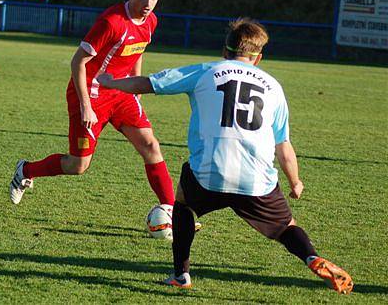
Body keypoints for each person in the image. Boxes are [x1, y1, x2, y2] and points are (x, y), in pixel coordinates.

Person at [96, 18, 353, 294]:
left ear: (225, 51)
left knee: (183, 203)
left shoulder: (206, 71)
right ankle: (311, 257)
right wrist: (296, 182)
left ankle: (181, 275)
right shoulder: (274, 87)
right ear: (258, 58)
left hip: (210, 172)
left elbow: (148, 84)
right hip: (256, 179)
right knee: (286, 227)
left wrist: (111, 82)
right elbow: (284, 147)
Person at [9, 0, 177, 217]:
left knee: (151, 145)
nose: (148, 4)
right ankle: (26, 171)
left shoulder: (151, 21)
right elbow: (78, 62)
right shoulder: (111, 22)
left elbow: (138, 50)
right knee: (78, 165)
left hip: (121, 93)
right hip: (90, 93)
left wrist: (135, 86)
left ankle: (172, 212)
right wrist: (86, 106)